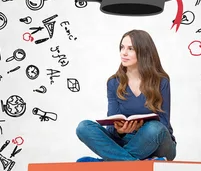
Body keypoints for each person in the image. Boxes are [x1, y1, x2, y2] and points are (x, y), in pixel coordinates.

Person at [76, 29, 177, 161]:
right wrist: (121, 131)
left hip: (157, 142)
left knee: (154, 128)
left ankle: (111, 162)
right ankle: (134, 163)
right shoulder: (113, 83)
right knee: (84, 127)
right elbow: (111, 129)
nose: (123, 53)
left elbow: (163, 124)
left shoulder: (161, 81)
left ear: (143, 52)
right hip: (126, 142)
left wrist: (140, 126)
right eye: (122, 47)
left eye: (130, 48)